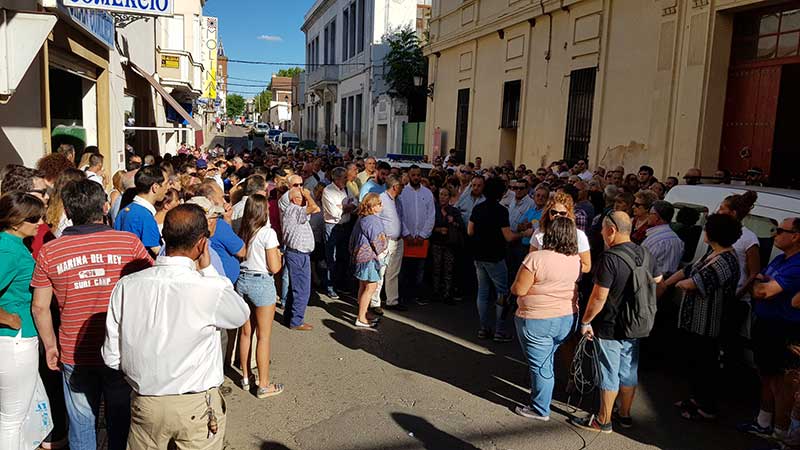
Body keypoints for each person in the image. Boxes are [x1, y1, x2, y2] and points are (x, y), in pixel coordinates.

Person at [102, 204, 250, 449]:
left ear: (164, 237)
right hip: (196, 404)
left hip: (146, 402)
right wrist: (209, 270)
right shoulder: (208, 288)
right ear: (202, 244)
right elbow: (239, 314)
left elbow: (112, 355)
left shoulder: (127, 285)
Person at [31, 179, 153, 450]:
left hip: (74, 349)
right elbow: (151, 285)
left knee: (81, 421)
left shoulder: (51, 251)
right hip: (120, 348)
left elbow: (39, 306)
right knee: (120, 418)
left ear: (68, 211)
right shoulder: (128, 243)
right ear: (105, 206)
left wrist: (50, 345)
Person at [572, 211, 662, 433]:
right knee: (629, 371)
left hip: (611, 324)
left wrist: (586, 321)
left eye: (603, 229)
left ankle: (603, 420)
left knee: (608, 371)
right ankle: (624, 414)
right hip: (637, 322)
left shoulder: (610, 258)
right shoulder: (645, 253)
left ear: (611, 230)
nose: (602, 233)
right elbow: (659, 281)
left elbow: (598, 297)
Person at [660, 213, 741, 420]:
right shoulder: (711, 254)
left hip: (708, 325)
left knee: (705, 366)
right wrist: (666, 283)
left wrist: (677, 285)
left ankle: (707, 407)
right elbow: (688, 270)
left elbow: (693, 282)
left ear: (715, 234)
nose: (704, 231)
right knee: (694, 363)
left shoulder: (725, 261)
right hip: (694, 323)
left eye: (707, 228)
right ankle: (695, 398)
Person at [511, 217, 582, 421]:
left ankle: (540, 408)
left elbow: (519, 288)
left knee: (541, 366)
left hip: (537, 318)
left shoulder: (537, 258)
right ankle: (542, 399)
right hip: (567, 317)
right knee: (546, 360)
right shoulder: (575, 259)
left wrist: (513, 287)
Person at [738, 217, 800, 442]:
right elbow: (759, 280)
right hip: (765, 325)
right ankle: (763, 422)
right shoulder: (781, 259)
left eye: (780, 230)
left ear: (795, 236)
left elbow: (763, 290)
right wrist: (758, 282)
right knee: (764, 375)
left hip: (782, 329)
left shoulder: (797, 264)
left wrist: (757, 282)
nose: (775, 234)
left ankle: (780, 432)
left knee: (780, 383)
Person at [0, 192, 45, 449]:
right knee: (11, 419)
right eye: (34, 218)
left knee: (11, 418)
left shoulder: (12, 245)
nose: (40, 222)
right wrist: (9, 319)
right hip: (14, 341)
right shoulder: (8, 249)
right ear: (16, 220)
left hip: (13, 342)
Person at [468, 177, 531, 342]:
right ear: (501, 193)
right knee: (502, 293)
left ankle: (483, 328)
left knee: (482, 292)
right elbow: (508, 236)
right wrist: (523, 234)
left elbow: (470, 231)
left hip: (479, 255)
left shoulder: (478, 208)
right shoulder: (501, 210)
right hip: (495, 256)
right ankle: (499, 329)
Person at [235, 194, 285, 398]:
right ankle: (263, 384)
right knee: (263, 337)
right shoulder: (268, 233)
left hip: (243, 279)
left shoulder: (243, 230)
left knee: (246, 332)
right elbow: (274, 267)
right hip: (261, 282)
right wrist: (279, 258)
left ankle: (246, 377)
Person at [282, 187, 320, 330]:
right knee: (302, 289)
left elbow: (314, 210)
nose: (304, 200)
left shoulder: (295, 210)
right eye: (302, 197)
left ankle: (290, 318)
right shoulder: (294, 210)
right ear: (294, 199)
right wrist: (308, 195)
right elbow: (314, 207)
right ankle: (296, 321)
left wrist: (306, 197)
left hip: (298, 254)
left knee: (295, 288)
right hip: (298, 254)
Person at [349, 193, 388, 328]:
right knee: (371, 287)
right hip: (369, 257)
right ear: (373, 206)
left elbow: (353, 239)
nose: (381, 206)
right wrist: (384, 249)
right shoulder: (372, 220)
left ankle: (363, 312)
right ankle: (361, 318)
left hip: (360, 256)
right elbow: (377, 240)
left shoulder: (361, 218)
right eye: (379, 204)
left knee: (363, 286)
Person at [398, 165, 436, 305]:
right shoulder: (402, 193)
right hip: (406, 238)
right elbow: (399, 215)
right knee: (404, 270)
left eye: (418, 175)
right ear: (408, 175)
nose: (416, 177)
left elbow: (431, 215)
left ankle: (417, 295)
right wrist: (406, 233)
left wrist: (423, 234)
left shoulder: (427, 193)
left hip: (422, 240)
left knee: (419, 271)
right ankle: (403, 296)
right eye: (413, 175)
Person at [197, 181, 246, 285]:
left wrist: (227, 219)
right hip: (223, 283)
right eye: (221, 197)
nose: (224, 201)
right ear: (210, 200)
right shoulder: (217, 224)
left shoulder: (195, 219)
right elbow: (241, 251)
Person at [530, 192, 592, 274]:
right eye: (554, 212)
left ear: (568, 214)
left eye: (562, 213)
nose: (557, 216)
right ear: (548, 212)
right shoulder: (539, 232)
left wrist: (563, 268)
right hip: (542, 277)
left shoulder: (579, 235)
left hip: (567, 280)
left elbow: (587, 266)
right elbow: (531, 259)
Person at [114, 165, 169, 255]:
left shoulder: (124, 211)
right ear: (155, 187)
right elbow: (158, 252)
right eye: (166, 184)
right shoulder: (145, 217)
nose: (168, 188)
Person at [370, 175, 405, 313]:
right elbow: (375, 220)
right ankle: (375, 302)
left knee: (393, 272)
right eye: (401, 185)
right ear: (395, 187)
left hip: (398, 240)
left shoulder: (398, 201)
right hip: (385, 241)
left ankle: (392, 300)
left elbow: (401, 219)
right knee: (380, 271)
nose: (403, 187)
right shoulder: (381, 199)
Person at [322, 168, 357, 299]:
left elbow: (355, 204)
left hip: (345, 226)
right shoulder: (328, 191)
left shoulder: (347, 189)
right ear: (336, 179)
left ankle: (341, 284)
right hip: (332, 227)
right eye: (344, 178)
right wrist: (346, 208)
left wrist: (343, 207)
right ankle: (330, 287)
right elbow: (334, 212)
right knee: (332, 258)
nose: (346, 180)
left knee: (343, 257)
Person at [430, 187, 463, 304]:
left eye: (445, 195)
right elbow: (428, 225)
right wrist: (438, 229)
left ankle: (447, 293)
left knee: (448, 269)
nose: (443, 197)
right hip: (437, 243)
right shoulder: (434, 210)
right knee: (436, 268)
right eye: (441, 194)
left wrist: (452, 222)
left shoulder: (454, 211)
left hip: (449, 244)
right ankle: (435, 292)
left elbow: (461, 226)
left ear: (449, 197)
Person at [641, 200, 684, 278]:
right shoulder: (677, 239)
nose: (648, 216)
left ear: (657, 217)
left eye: (650, 214)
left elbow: (642, 265)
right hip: (666, 283)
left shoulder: (655, 240)